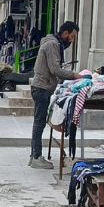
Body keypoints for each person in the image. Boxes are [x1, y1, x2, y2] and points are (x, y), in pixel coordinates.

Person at [29, 20, 79, 169]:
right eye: (72, 36)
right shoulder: (52, 45)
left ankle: (34, 156)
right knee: (39, 123)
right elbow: (54, 69)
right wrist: (75, 75)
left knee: (39, 122)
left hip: (43, 87)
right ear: (65, 33)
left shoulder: (53, 44)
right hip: (41, 88)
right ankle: (36, 157)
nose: (72, 39)